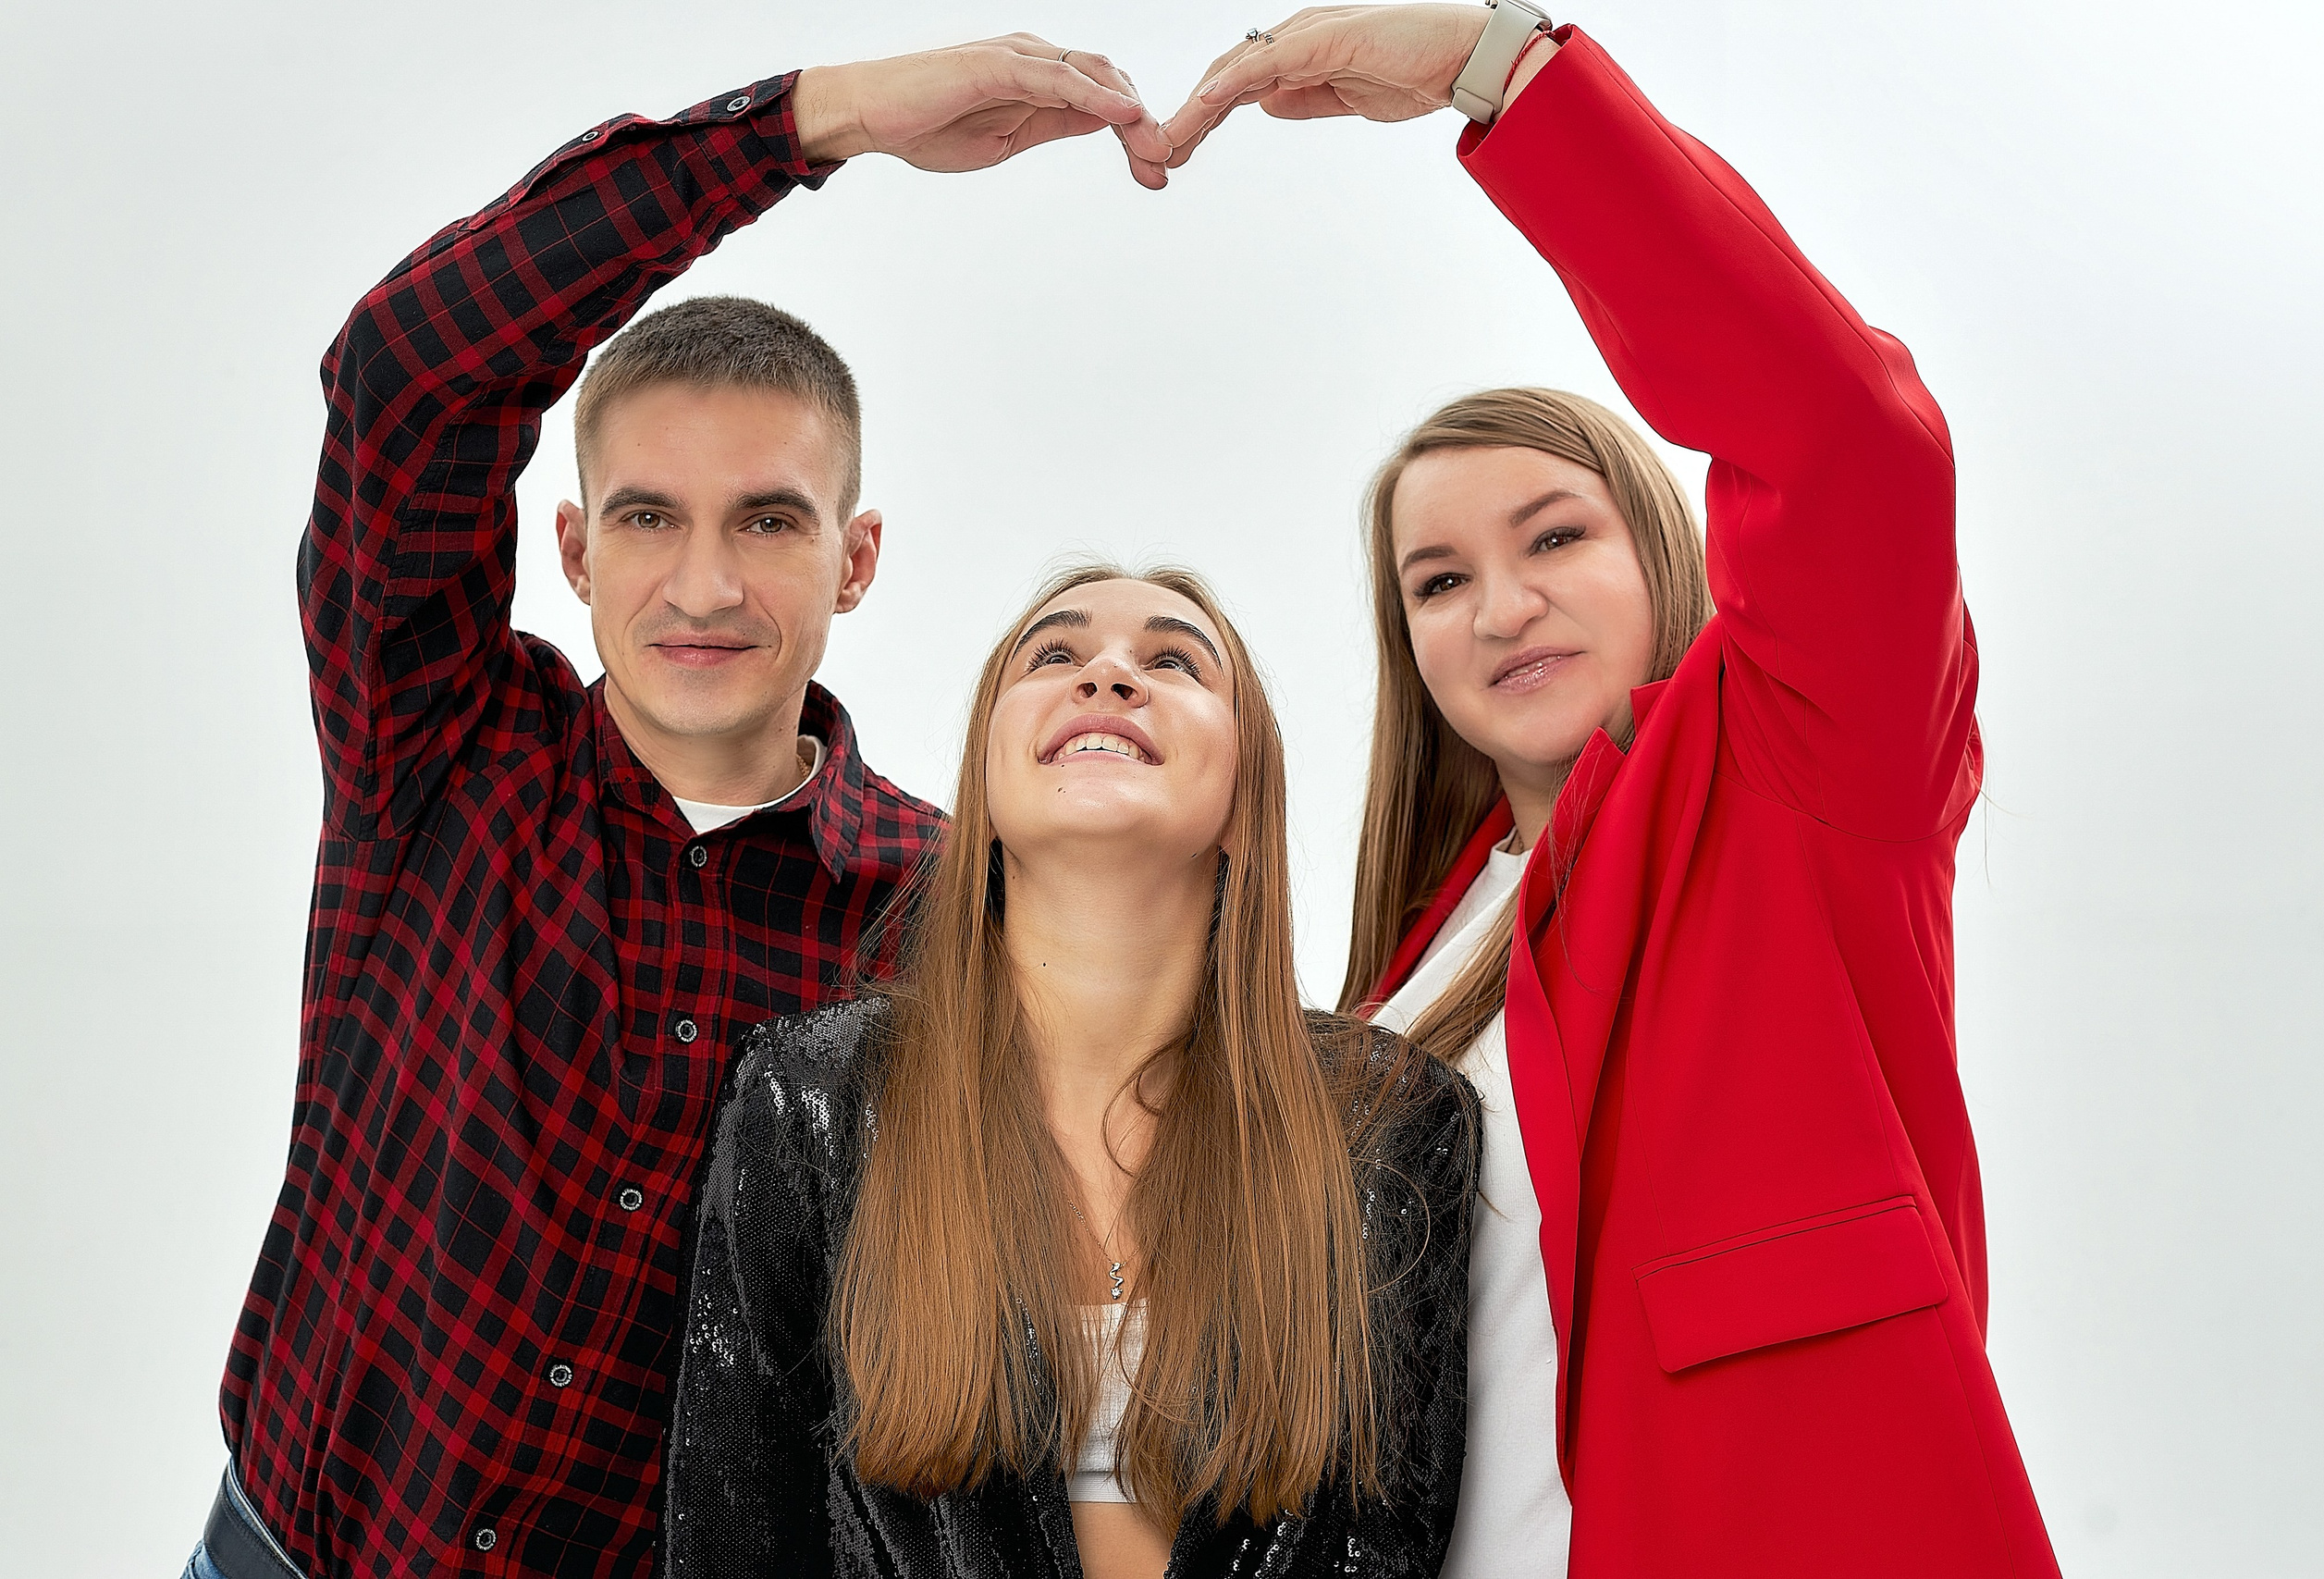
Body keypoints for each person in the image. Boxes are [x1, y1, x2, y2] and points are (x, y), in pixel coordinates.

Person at [189, 35, 1177, 1579]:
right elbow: (403, 369)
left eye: (768, 521)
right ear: (573, 548)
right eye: (650, 518)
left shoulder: (954, 911)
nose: (703, 586)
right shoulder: (441, 745)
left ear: (853, 560)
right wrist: (816, 121)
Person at [1160, 6, 2061, 1577]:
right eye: (1438, 580)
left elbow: (1856, 439)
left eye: (1554, 537)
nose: (1499, 605)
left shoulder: (1800, 770)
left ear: (1663, 549)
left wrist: (1494, 70)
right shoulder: (1401, 976)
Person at [662, 564, 1482, 1579]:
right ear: (987, 791)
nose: (1106, 675)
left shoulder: (1392, 1118)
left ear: (1243, 798)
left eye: (1174, 660)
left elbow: (1392, 1538)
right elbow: (733, 1539)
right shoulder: (807, 1099)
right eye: (1054, 655)